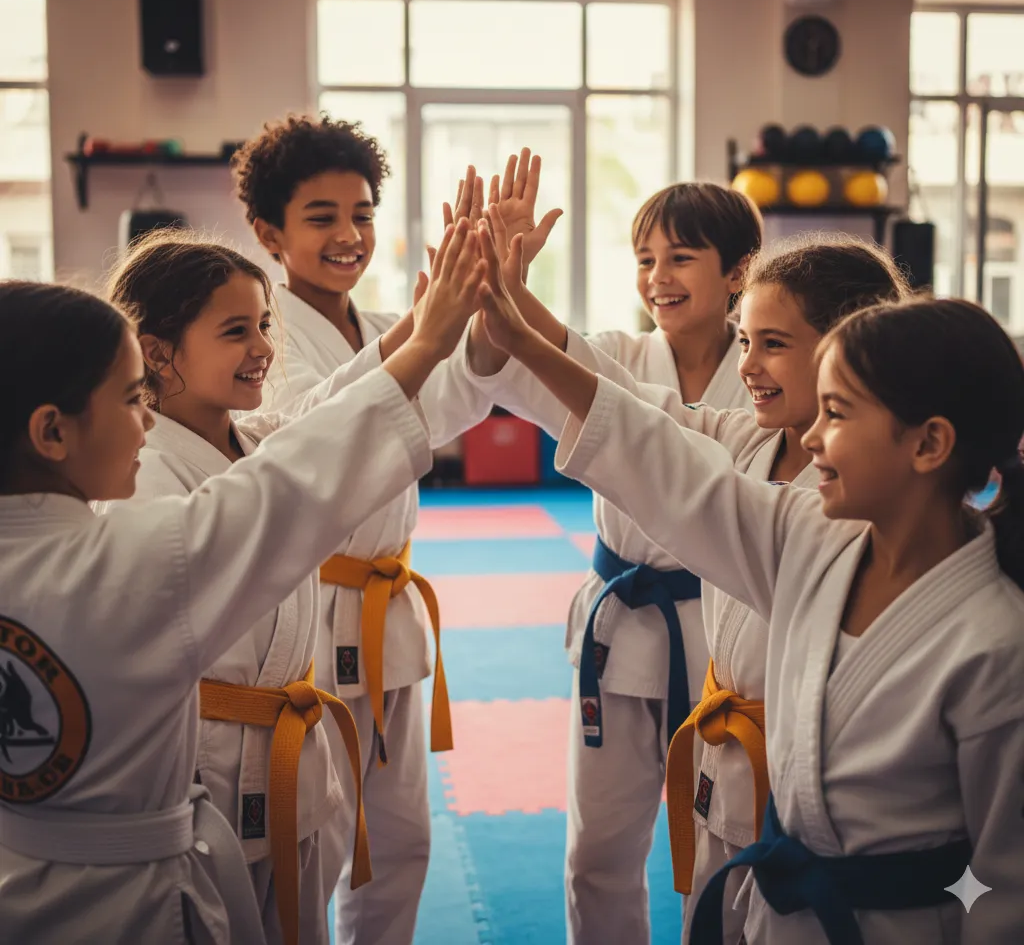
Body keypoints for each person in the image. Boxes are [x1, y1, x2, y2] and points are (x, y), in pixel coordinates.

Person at [474, 249, 1024, 945]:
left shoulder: (994, 643)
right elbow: (654, 450)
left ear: (929, 444)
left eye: (838, 413)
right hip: (767, 889)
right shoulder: (808, 538)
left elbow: (1007, 890)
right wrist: (522, 339)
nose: (815, 437)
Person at [0, 218, 485, 945]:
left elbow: (307, 428)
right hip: (145, 893)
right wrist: (426, 345)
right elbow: (297, 480)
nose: (145, 422)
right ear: (52, 432)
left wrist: (417, 334)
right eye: (131, 399)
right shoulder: (132, 559)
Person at [466, 167, 761, 944]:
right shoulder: (618, 354)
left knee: (729, 849)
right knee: (598, 849)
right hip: (621, 628)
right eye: (644, 259)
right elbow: (543, 349)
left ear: (738, 274)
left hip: (724, 635)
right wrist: (508, 276)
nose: (657, 277)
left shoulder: (766, 377)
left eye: (680, 257)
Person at [232, 113, 497, 945]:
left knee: (406, 837)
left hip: (391, 608)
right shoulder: (260, 334)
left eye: (363, 214)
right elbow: (306, 430)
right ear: (269, 232)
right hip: (312, 614)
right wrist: (420, 337)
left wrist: (489, 303)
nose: (350, 235)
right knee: (320, 840)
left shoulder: (379, 323)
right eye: (322, 218)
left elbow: (456, 399)